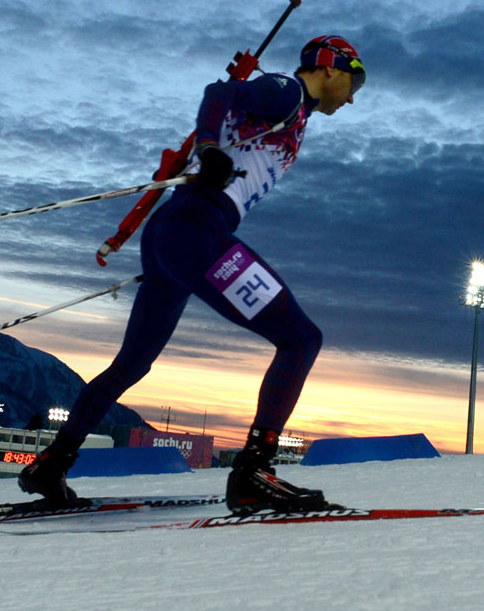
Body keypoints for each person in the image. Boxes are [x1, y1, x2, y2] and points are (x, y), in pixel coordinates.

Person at [20, 35, 365, 514]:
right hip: (197, 230)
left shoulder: (295, 111)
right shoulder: (287, 91)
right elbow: (219, 93)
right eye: (356, 78)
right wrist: (209, 149)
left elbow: (227, 110)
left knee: (131, 365)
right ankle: (253, 473)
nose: (353, 96)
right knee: (300, 339)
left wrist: (212, 150)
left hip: (175, 233)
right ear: (329, 68)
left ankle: (51, 465)